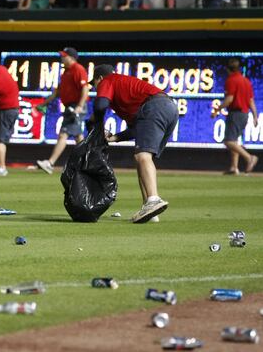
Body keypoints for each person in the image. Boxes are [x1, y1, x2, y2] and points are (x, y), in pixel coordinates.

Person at [89, 64, 179, 223]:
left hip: (154, 107)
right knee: (143, 159)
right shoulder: (125, 89)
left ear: (100, 78)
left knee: (142, 156)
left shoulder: (108, 80)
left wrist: (95, 122)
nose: (96, 89)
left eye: (94, 84)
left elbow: (101, 105)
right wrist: (114, 138)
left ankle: (153, 199)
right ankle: (149, 209)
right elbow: (135, 129)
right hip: (169, 108)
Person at [35, 47, 90, 174]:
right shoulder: (66, 72)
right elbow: (57, 92)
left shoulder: (78, 69)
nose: (62, 58)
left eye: (64, 56)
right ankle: (88, 163)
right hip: (70, 106)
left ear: (71, 57)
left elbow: (85, 88)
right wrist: (43, 103)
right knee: (78, 136)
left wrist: (80, 106)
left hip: (76, 106)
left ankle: (50, 163)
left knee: (63, 134)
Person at [211, 58, 258, 174]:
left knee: (228, 141)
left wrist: (217, 109)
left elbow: (229, 99)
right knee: (234, 140)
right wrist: (255, 116)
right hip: (245, 114)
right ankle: (234, 167)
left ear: (228, 69)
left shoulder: (231, 80)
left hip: (236, 113)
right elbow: (251, 101)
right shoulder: (246, 80)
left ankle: (249, 158)